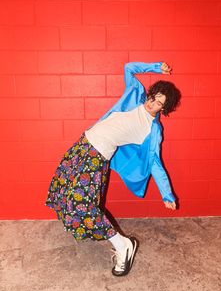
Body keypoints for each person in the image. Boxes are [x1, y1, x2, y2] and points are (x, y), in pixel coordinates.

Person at [45, 61, 181, 277]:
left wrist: (166, 193)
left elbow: (155, 163)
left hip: (96, 157)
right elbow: (129, 68)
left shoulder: (152, 130)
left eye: (158, 103)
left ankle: (123, 245)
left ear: (164, 109)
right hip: (83, 144)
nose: (151, 104)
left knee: (83, 204)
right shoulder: (136, 95)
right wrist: (156, 67)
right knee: (62, 186)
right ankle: (95, 231)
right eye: (153, 97)